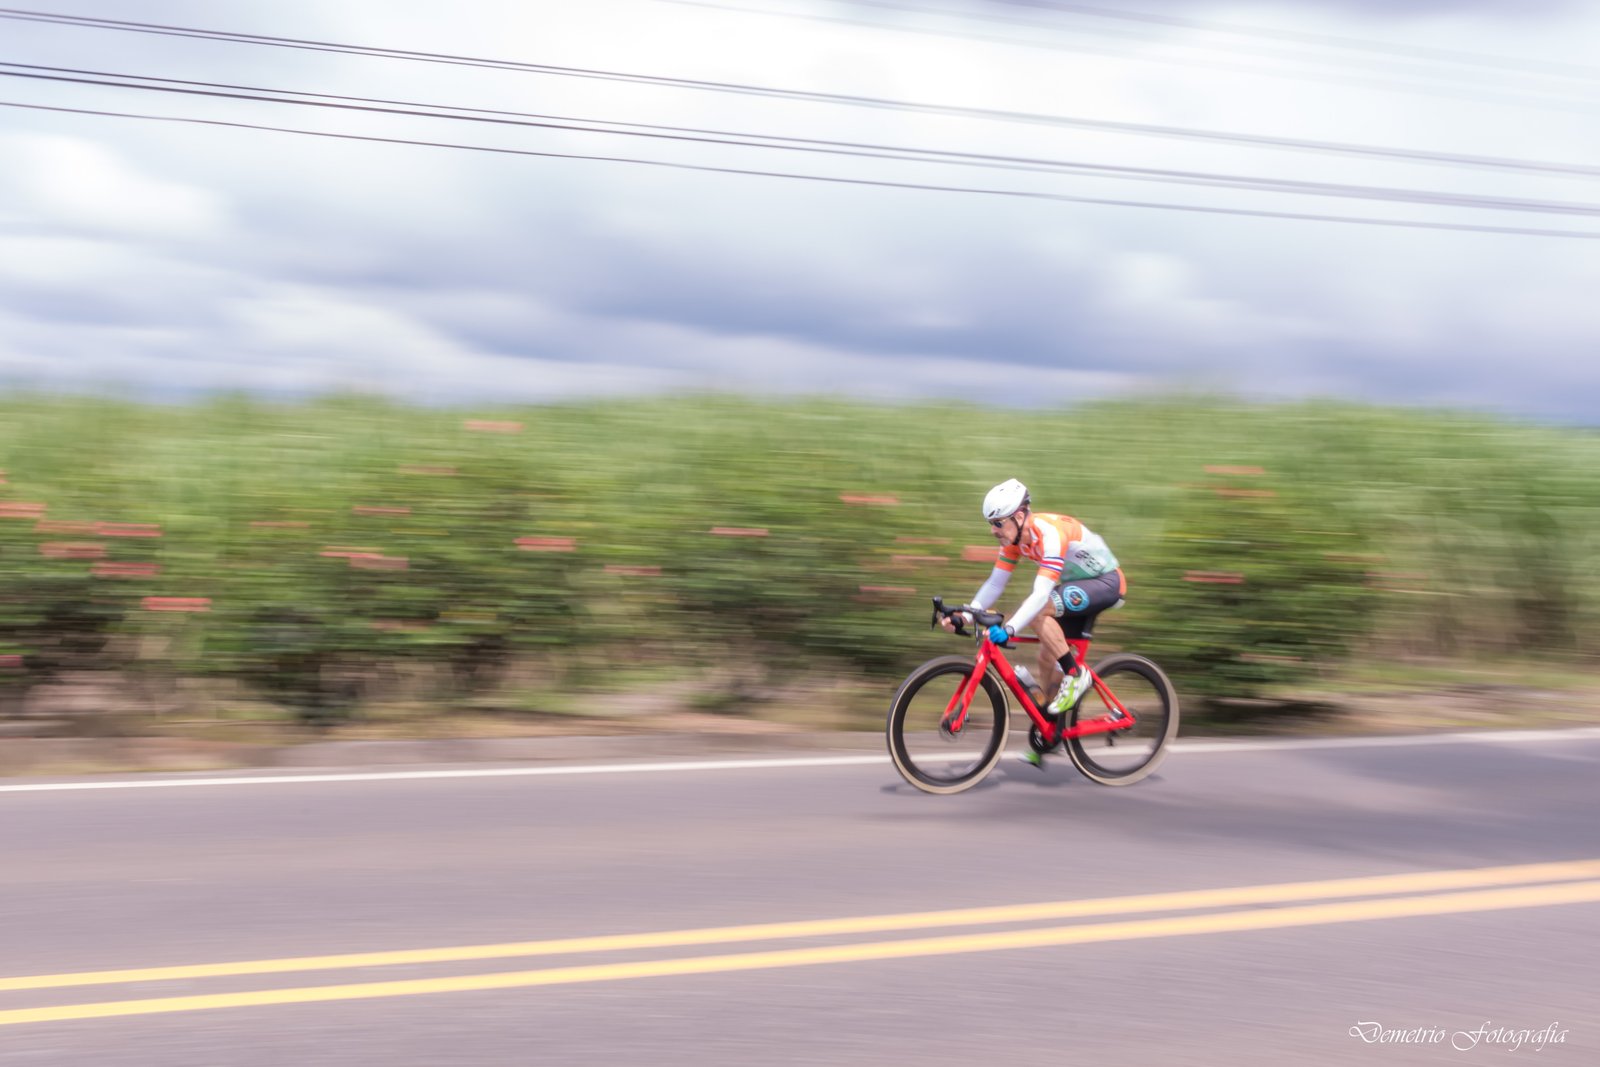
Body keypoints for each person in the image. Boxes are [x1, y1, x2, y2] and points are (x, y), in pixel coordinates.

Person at [940, 478, 1126, 767]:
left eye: (998, 523)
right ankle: (1052, 730)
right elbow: (995, 583)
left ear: (1018, 516)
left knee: (1039, 613)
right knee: (1045, 656)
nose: (993, 530)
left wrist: (1011, 628)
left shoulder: (1050, 534)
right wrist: (965, 614)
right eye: (991, 523)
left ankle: (1076, 676)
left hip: (1105, 582)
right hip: (1075, 588)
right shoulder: (1014, 541)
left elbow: (1040, 595)